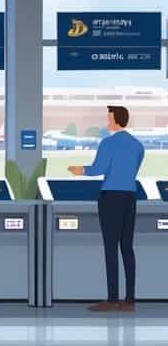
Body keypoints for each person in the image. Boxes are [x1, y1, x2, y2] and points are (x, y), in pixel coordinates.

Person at [69, 105, 145, 312]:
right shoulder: (138, 145)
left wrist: (79, 170)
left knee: (111, 248)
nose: (107, 122)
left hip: (111, 196)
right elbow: (134, 169)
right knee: (127, 247)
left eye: (109, 119)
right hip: (130, 196)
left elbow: (99, 169)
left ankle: (112, 299)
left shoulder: (108, 143)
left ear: (116, 121)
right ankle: (129, 299)